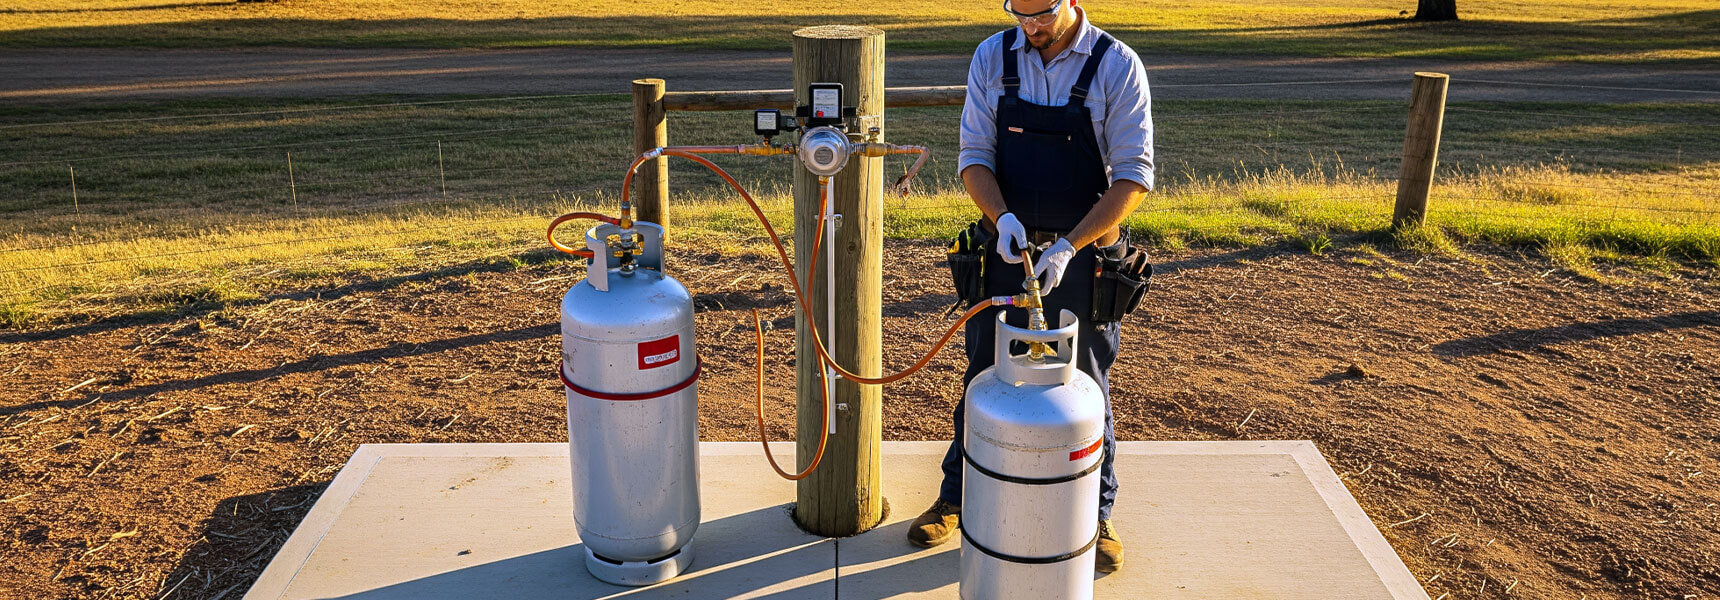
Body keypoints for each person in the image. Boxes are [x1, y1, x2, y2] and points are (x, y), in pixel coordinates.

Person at [907, 0, 1153, 574]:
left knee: (1083, 383)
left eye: (1042, 14)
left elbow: (1133, 176)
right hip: (1005, 249)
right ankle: (958, 495)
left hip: (1086, 257)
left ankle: (1095, 513)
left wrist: (1070, 246)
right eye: (1020, 14)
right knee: (983, 375)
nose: (1031, 27)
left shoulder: (1117, 65)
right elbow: (974, 157)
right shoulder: (992, 57)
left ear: (1072, 2)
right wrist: (1001, 220)